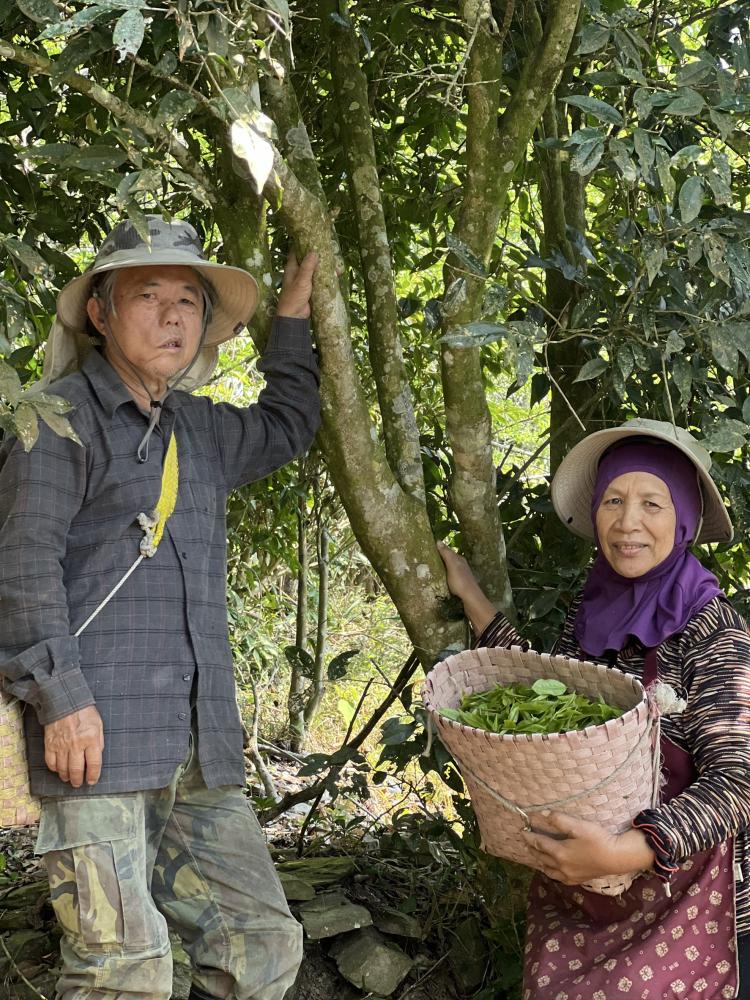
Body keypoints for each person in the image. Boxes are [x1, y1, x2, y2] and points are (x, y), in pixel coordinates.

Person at [0, 215, 320, 1000]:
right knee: (123, 973)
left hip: (195, 748)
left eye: (189, 300)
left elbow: (288, 425)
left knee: (262, 943)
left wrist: (290, 323)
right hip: (93, 748)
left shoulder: (199, 428)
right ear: (102, 313)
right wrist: (62, 701)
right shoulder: (56, 423)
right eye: (149, 295)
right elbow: (20, 564)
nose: (174, 315)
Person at [438, 418, 750, 1000]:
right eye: (613, 500)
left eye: (652, 503)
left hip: (688, 902)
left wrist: (626, 851)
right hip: (584, 896)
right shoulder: (593, 612)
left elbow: (740, 781)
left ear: (682, 518)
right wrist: (474, 601)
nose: (628, 522)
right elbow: (549, 700)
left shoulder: (714, 630)